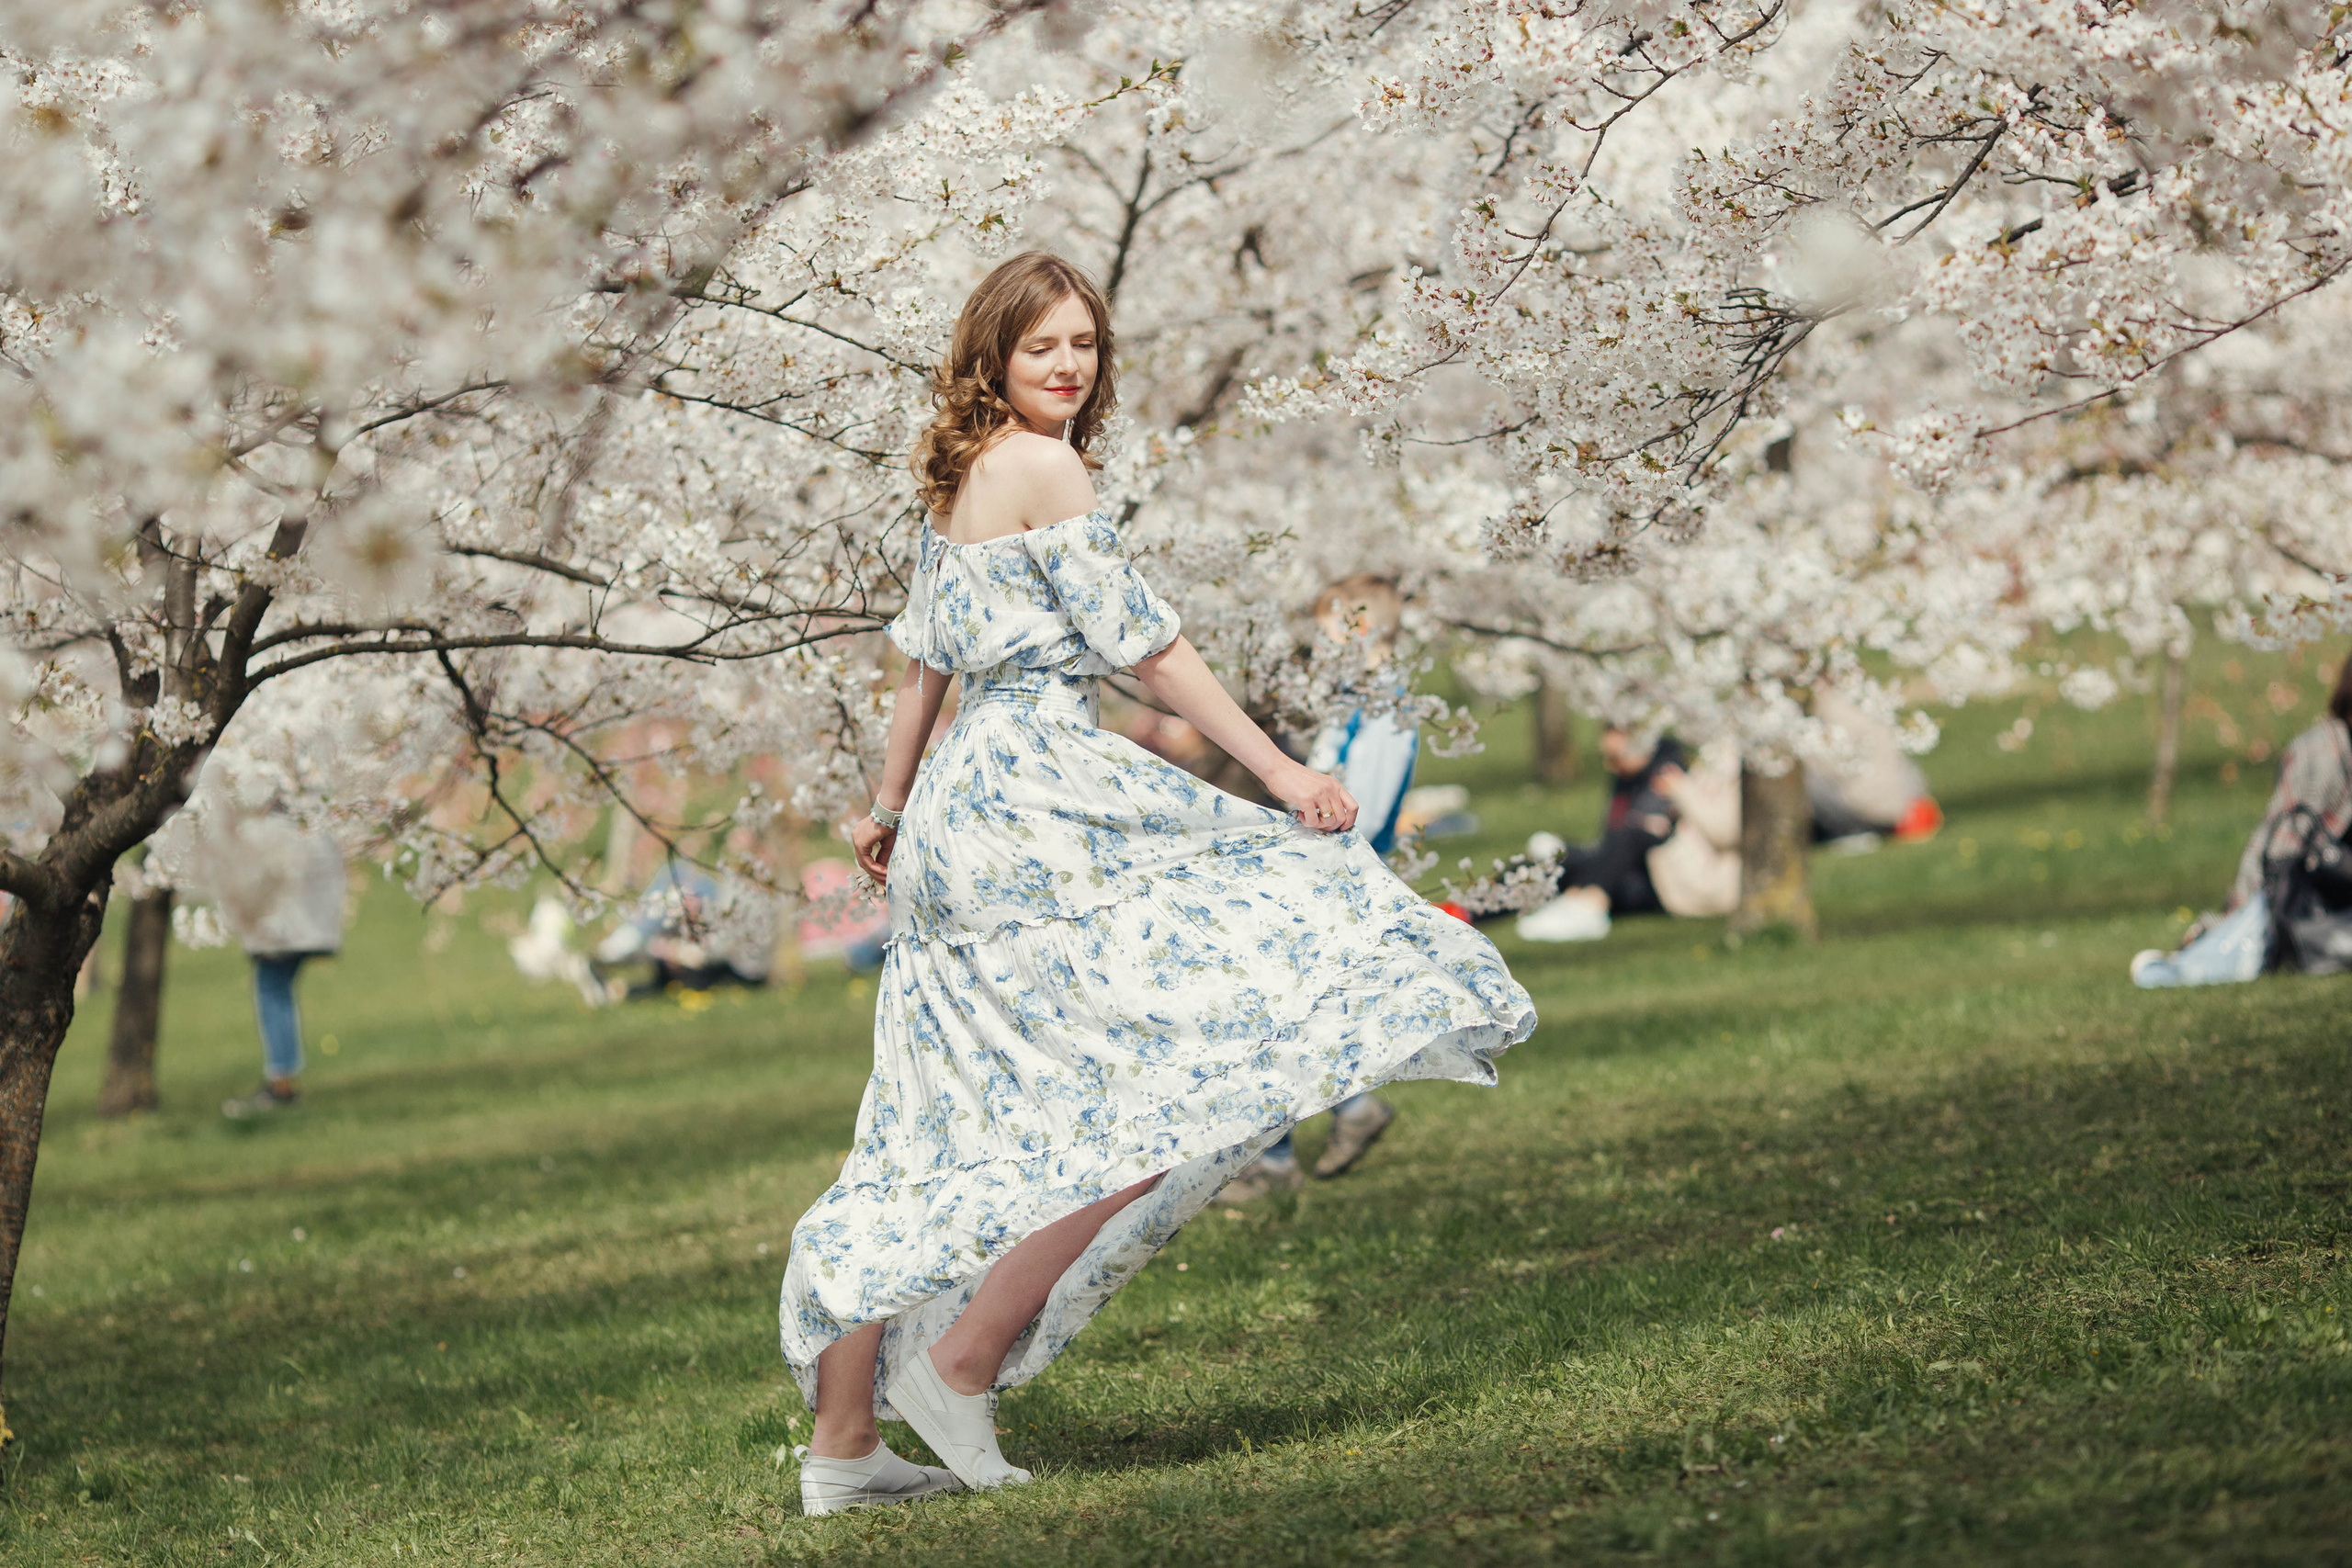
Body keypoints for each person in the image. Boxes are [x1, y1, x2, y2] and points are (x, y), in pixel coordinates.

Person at [776, 252, 1533, 1516]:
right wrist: (1284, 767)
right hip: (1035, 798)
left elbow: (920, 665)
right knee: (1154, 1083)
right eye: (1042, 349)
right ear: (994, 360)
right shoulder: (1041, 464)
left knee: (932, 1116)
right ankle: (958, 1367)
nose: (1069, 366)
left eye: (1083, 343)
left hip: (968, 800)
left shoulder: (962, 471)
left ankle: (844, 1443)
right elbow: (1146, 645)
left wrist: (894, 804)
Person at [1220, 576, 1417, 1202]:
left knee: (1281, 1009)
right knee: (1296, 1011)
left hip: (1338, 876)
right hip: (1317, 869)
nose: (1317, 643)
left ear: (1358, 628)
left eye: (1328, 628)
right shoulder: (1352, 702)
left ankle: (1274, 1157)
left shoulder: (1386, 707)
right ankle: (1344, 1112)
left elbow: (1373, 805)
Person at [2132, 654, 2352, 987]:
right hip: (2297, 906)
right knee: (2215, 962)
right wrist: (2238, 913)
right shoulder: (2323, 753)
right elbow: (2279, 851)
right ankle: (2179, 958)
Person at [1512, 727, 1689, 941]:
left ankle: (1587, 904)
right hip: (1619, 865)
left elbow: (1645, 829)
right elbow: (1610, 833)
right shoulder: (1625, 780)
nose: (1610, 765)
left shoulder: (1666, 773)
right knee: (1560, 862)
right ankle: (1471, 911)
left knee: (1627, 836)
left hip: (1657, 876)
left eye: (1615, 757)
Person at [220, 823, 345, 1119]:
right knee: (275, 986)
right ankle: (282, 1079)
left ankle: (282, 1083)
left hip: (286, 909)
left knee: (272, 987)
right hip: (303, 901)